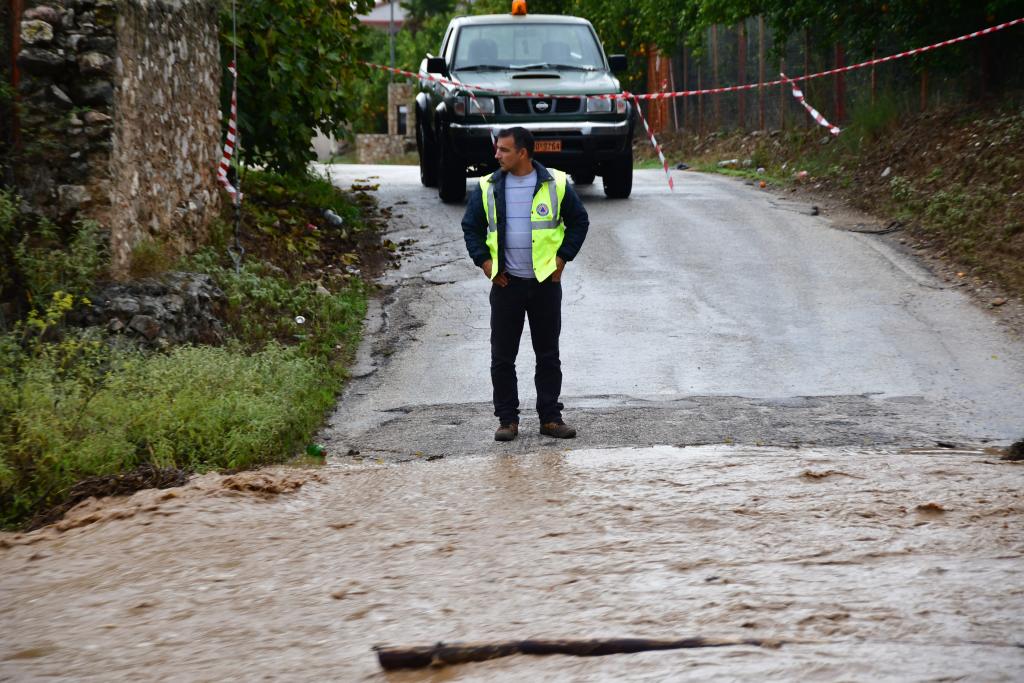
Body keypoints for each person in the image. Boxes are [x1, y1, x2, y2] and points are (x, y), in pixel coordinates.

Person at [461, 126, 590, 441]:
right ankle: (507, 420)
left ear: (523, 152)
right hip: (506, 285)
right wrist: (486, 263)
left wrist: (562, 259)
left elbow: (579, 221)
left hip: (545, 284)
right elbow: (471, 227)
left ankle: (550, 418)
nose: (497, 155)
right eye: (497, 149)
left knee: (548, 355)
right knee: (503, 357)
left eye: (504, 150)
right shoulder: (488, 186)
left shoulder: (556, 183)